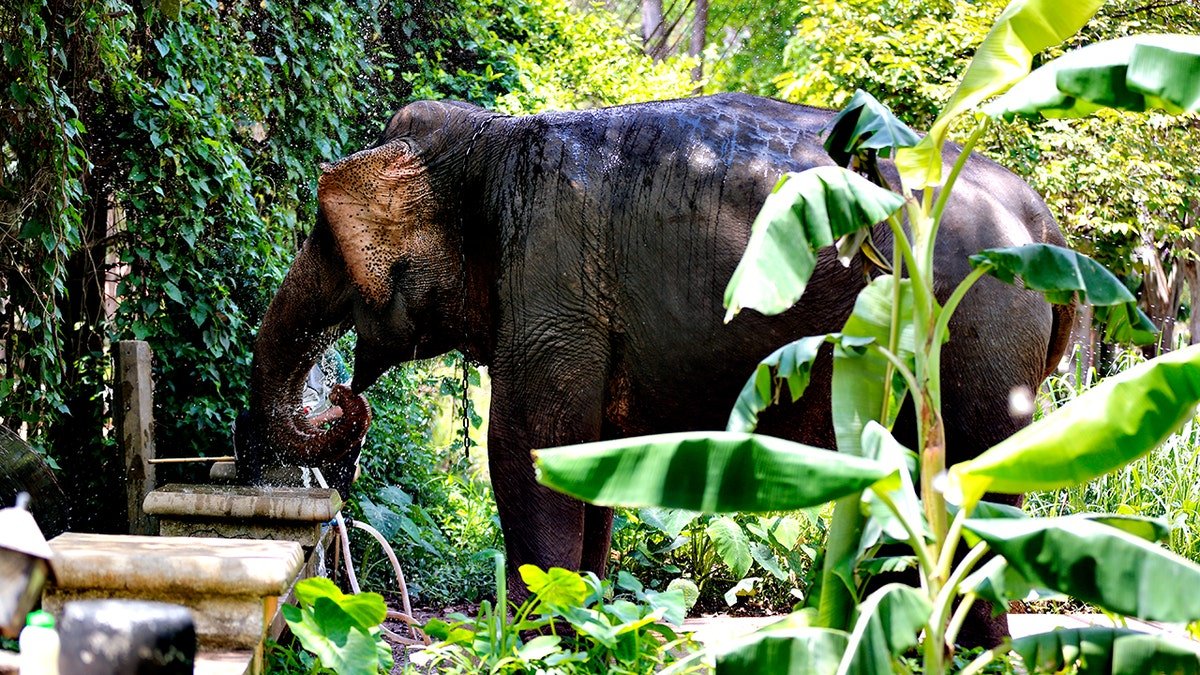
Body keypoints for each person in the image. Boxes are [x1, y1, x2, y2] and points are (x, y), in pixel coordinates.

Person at [234, 347, 364, 498]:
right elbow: (261, 405)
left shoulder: (329, 358)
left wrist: (315, 421)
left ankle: (337, 500)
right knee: (245, 419)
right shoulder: (275, 356)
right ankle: (249, 494)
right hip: (278, 439)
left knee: (353, 425)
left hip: (316, 442)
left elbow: (352, 404)